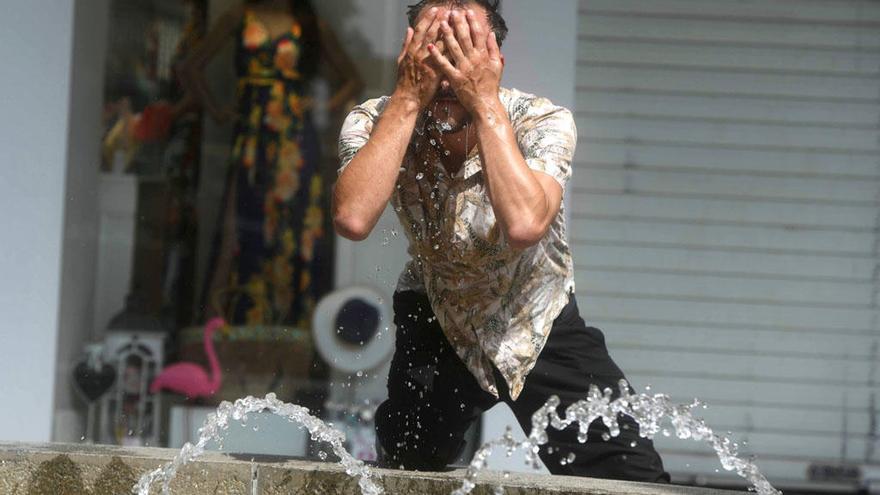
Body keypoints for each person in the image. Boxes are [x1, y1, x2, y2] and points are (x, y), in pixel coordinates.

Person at [334, 0, 670, 483]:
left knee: (632, 477)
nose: (448, 73)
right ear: (409, 56)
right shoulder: (375, 121)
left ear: (493, 61)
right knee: (403, 472)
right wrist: (408, 98)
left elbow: (525, 224)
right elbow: (352, 216)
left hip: (533, 315)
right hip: (439, 314)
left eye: (464, 52)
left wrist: (484, 102)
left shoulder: (542, 121)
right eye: (435, 51)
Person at [181, 0, 364, 327]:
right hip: (252, 137)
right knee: (239, 223)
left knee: (295, 229)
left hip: (295, 141)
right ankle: (230, 325)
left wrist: (322, 105)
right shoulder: (239, 16)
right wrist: (218, 111)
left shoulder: (309, 23)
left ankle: (293, 330)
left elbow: (353, 80)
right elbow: (191, 68)